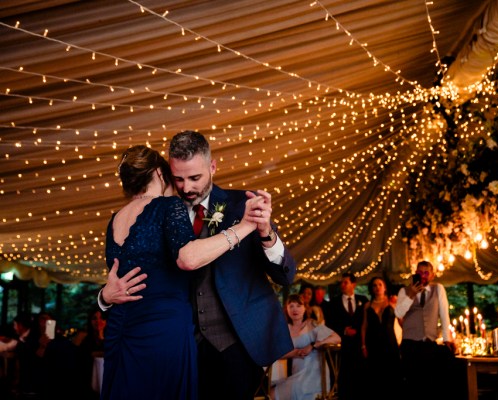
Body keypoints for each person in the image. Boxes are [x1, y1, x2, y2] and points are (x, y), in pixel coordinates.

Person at [100, 131, 297, 399]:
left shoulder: (242, 205)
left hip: (236, 344)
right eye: (178, 178)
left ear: (212, 167)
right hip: (182, 344)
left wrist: (265, 233)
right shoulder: (162, 209)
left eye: (195, 178)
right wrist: (104, 296)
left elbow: (285, 276)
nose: (186, 187)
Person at [394, 260, 456, 399]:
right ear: (415, 273)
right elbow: (398, 313)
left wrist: (447, 339)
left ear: (432, 275)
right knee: (412, 385)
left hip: (429, 343)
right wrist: (411, 295)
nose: (423, 275)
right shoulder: (404, 291)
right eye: (420, 272)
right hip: (409, 344)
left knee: (430, 385)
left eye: (426, 272)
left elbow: (444, 315)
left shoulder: (438, 289)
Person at [270, 294, 341, 400]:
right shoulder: (286, 329)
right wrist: (297, 352)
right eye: (291, 306)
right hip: (297, 373)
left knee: (274, 394)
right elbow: (278, 353)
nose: (295, 309)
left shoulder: (311, 324)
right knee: (271, 394)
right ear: (287, 309)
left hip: (315, 374)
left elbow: (337, 338)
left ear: (304, 308)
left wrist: (313, 345)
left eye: (299, 306)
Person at [327, 272, 368, 400]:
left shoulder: (364, 300)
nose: (342, 285)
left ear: (353, 284)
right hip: (343, 347)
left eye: (346, 282)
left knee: (361, 377)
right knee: (344, 378)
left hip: (360, 345)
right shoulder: (334, 302)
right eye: (341, 282)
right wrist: (343, 330)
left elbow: (367, 321)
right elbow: (330, 323)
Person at [360, 276, 402, 398]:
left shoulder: (392, 303)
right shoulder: (368, 305)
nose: (377, 287)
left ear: (385, 287)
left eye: (380, 284)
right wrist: (363, 346)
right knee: (375, 377)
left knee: (392, 375)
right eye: (374, 285)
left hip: (390, 342)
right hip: (373, 344)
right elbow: (364, 326)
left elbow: (401, 321)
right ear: (371, 289)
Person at [72, 309, 107, 400]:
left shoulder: (111, 337)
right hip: (86, 382)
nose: (98, 321)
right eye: (94, 318)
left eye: (101, 318)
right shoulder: (83, 337)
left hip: (106, 381)